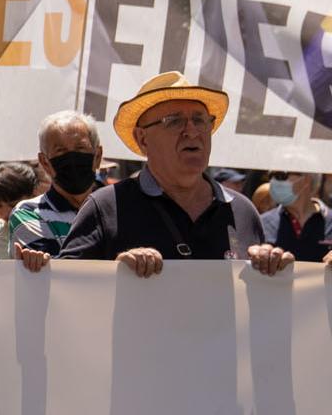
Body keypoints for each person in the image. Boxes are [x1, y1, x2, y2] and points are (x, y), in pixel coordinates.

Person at [57, 72, 289, 276]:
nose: (191, 131)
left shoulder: (243, 211)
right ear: (142, 138)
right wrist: (116, 273)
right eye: (174, 121)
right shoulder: (106, 207)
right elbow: (66, 289)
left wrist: (271, 267)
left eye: (199, 119)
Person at [8, 110, 104, 259]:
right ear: (45, 162)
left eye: (80, 148)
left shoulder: (120, 206)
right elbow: (52, 275)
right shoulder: (29, 213)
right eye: (61, 151)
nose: (72, 159)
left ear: (97, 156)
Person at [259, 168, 331, 264]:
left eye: (280, 176)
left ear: (306, 179)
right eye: (270, 176)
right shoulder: (262, 222)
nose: (273, 181)